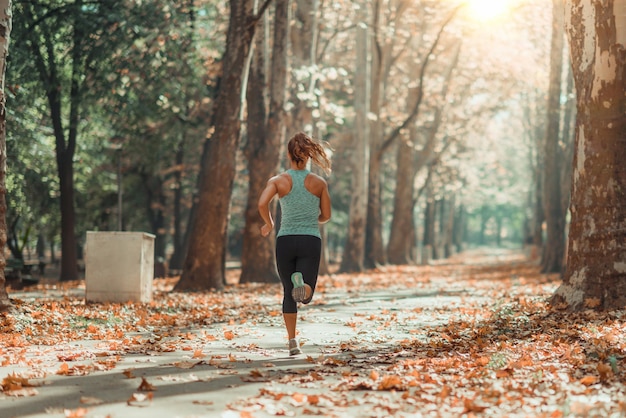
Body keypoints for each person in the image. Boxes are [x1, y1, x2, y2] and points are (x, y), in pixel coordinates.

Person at [258, 132, 332, 356]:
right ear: (309, 156)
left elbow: (262, 203)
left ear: (288, 154)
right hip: (310, 239)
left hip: (285, 240)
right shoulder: (319, 183)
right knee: (305, 294)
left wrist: (269, 224)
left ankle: (292, 342)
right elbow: (326, 215)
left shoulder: (278, 181)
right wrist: (312, 219)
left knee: (288, 292)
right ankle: (304, 283)